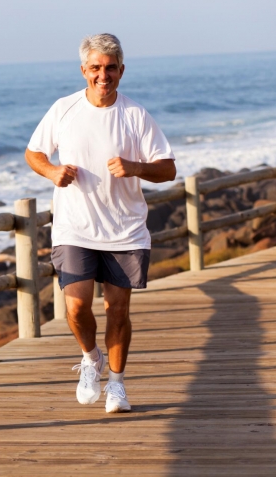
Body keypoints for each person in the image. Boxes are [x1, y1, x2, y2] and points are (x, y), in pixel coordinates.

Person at [25, 34, 176, 413]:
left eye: (110, 68)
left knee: (117, 311)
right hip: (74, 228)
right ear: (83, 71)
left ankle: (117, 384)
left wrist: (136, 167)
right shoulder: (63, 109)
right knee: (76, 309)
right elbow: (34, 152)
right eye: (95, 68)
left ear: (121, 71)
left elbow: (168, 168)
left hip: (125, 231)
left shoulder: (136, 115)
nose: (103, 75)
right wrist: (52, 172)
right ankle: (91, 360)